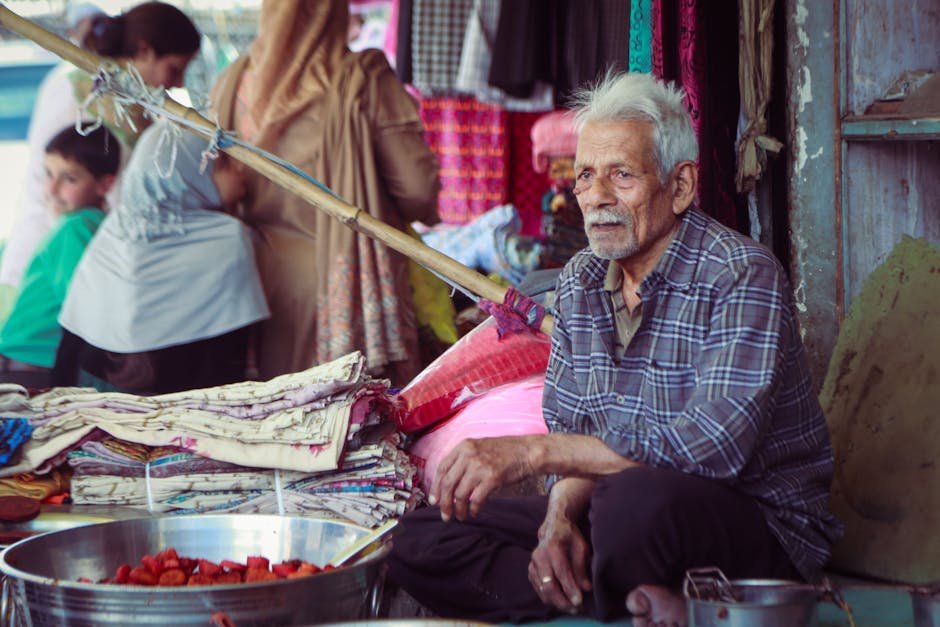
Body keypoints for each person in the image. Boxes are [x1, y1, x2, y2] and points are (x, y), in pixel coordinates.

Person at [387, 72, 843, 626]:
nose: (597, 197)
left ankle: (621, 590)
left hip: (754, 525)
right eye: (584, 176)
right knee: (420, 536)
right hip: (618, 517)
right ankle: (629, 595)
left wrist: (534, 453)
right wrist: (556, 522)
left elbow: (713, 450)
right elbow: (579, 433)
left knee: (630, 506)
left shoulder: (741, 276)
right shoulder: (580, 280)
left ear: (679, 186)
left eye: (621, 175)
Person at [210, 0, 443, 386]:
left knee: (266, 424)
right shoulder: (360, 79)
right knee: (349, 427)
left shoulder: (230, 82)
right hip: (341, 288)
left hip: (248, 284)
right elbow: (417, 187)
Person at [0, 2, 200, 299]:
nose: (177, 83)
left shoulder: (127, 100)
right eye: (174, 69)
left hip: (79, 257)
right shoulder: (81, 88)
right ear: (144, 51)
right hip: (51, 265)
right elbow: (61, 183)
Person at [53, 120, 269, 394]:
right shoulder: (227, 239)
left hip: (93, 397)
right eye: (223, 163)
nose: (239, 171)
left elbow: (73, 336)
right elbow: (228, 358)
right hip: (181, 409)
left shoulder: (114, 231)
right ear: (188, 174)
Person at [0, 125, 119, 388]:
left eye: (69, 179)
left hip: (29, 364)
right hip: (36, 362)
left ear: (105, 184)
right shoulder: (103, 227)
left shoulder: (74, 227)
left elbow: (79, 305)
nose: (52, 189)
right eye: (48, 174)